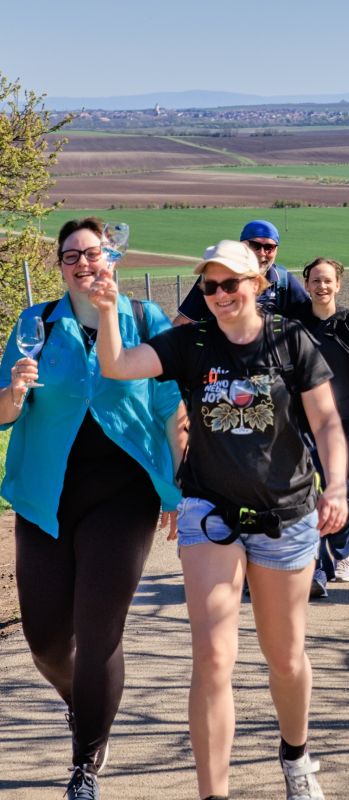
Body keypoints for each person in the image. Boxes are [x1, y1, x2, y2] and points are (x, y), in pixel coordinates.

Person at [90, 239, 346, 800]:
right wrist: (109, 310)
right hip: (209, 509)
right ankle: (214, 794)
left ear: (257, 282)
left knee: (285, 657)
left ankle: (297, 755)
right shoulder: (192, 342)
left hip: (286, 510)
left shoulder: (290, 341)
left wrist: (339, 488)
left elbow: (327, 422)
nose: (220, 295)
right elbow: (116, 366)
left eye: (231, 283)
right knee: (211, 656)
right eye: (209, 286)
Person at [0, 217, 186, 800]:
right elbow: (2, 413)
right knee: (45, 640)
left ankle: (85, 763)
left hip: (124, 495)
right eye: (70, 255)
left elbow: (173, 411)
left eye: (93, 252)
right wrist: (14, 393)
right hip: (43, 496)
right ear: (59, 267)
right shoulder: (33, 324)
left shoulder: (146, 320)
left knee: (98, 628)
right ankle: (84, 706)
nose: (82, 262)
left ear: (113, 259)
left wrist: (179, 490)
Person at [302, 258, 349, 599]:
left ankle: (341, 555)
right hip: (304, 424)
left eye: (328, 280)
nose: (322, 286)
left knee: (342, 489)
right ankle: (316, 565)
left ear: (338, 284)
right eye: (315, 280)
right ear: (306, 285)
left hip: (346, 422)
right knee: (307, 491)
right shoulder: (296, 325)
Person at [173, 219, 349, 332]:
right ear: (243, 244)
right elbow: (183, 322)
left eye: (269, 247)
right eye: (255, 245)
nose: (262, 253)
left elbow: (317, 313)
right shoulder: (216, 279)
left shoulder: (283, 280)